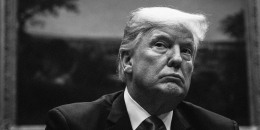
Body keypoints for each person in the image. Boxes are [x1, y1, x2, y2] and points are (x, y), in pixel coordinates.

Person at [45, 7, 239, 130]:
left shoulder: (219, 128)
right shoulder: (71, 124)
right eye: (161, 45)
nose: (177, 59)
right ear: (127, 60)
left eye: (187, 50)